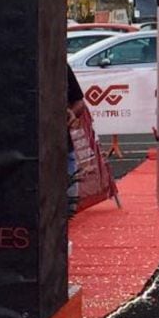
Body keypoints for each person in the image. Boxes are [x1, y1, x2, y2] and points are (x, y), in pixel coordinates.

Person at [66, 66, 87, 218]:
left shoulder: (61, 67)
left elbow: (79, 102)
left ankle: (69, 210)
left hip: (62, 142)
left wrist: (72, 114)